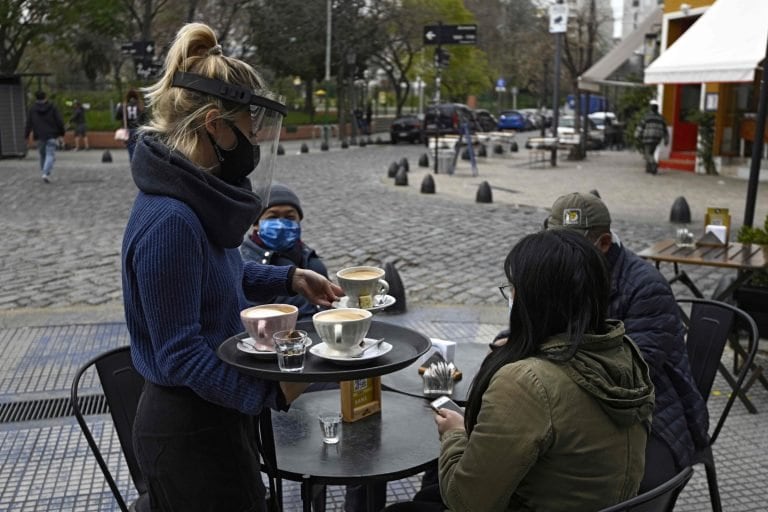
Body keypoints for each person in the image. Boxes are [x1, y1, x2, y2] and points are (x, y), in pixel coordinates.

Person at [121, 22, 342, 512]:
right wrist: (270, 394)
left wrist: (289, 277)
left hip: (215, 416)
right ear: (214, 123)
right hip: (189, 432)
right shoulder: (171, 218)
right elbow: (179, 353)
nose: (257, 137)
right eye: (250, 126)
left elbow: (218, 274)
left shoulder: (193, 196)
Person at [387, 229, 655, 511]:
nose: (511, 296)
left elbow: (465, 501)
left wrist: (455, 435)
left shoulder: (526, 382)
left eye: (514, 288)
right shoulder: (625, 353)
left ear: (536, 300)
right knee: (429, 492)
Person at [545, 192, 709, 493]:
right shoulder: (566, 272)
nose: (559, 253)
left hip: (653, 413)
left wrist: (553, 356)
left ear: (604, 243)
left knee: (566, 478)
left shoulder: (645, 286)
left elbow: (630, 369)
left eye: (571, 246)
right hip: (589, 403)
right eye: (555, 242)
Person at [240, 182, 329, 320]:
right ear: (256, 222)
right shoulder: (246, 264)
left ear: (299, 221)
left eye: (289, 217)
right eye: (272, 217)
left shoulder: (308, 256)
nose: (281, 224)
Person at [24, 90, 65, 183]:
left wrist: (26, 135)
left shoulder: (32, 108)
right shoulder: (53, 107)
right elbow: (59, 121)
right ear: (46, 97)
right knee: (50, 155)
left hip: (39, 135)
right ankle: (46, 173)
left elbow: (28, 123)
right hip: (51, 134)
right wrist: (61, 133)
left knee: (42, 155)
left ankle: (44, 171)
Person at [636, 99, 669, 174]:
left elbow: (640, 127)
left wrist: (637, 135)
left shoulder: (646, 116)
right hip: (657, 138)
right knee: (652, 152)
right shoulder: (661, 117)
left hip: (648, 137)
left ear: (650, 107)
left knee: (647, 153)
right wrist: (666, 139)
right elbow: (665, 129)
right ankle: (649, 168)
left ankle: (653, 164)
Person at [116, 88, 147, 161]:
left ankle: (133, 164)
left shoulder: (123, 106)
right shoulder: (141, 106)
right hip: (139, 130)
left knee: (130, 149)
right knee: (139, 149)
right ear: (137, 96)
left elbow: (117, 117)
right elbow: (145, 119)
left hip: (128, 131)